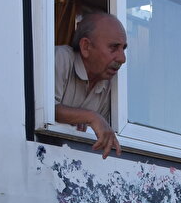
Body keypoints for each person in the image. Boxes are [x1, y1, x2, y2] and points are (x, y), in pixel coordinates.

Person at [54, 11, 127, 159]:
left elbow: (107, 133)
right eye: (114, 47)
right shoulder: (60, 58)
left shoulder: (111, 82)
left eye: (123, 48)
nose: (122, 58)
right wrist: (91, 117)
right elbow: (42, 110)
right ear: (86, 47)